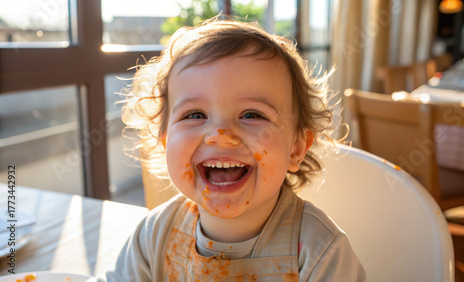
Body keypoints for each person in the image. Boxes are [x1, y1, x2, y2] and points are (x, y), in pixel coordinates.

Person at [96, 17, 366, 281]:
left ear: (296, 149)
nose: (220, 136)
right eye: (194, 115)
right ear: (166, 140)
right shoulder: (155, 234)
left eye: (251, 115)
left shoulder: (320, 253)